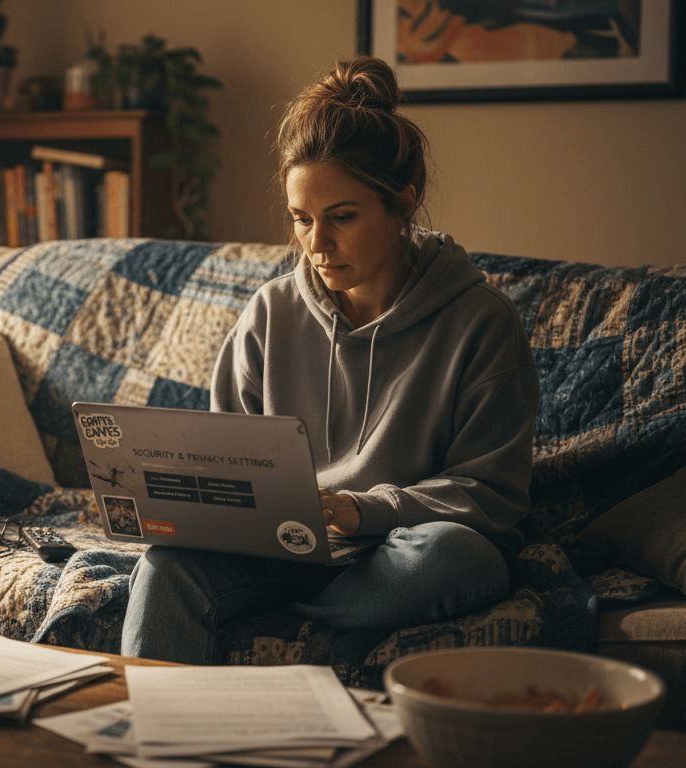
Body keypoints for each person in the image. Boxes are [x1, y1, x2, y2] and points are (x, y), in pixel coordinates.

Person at [120, 57, 540, 665]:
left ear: (403, 203)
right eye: (301, 220)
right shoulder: (270, 312)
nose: (317, 244)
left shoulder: (479, 321)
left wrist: (361, 509)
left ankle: (279, 619)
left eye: (342, 217)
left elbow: (492, 496)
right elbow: (223, 461)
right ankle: (156, 747)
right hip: (282, 553)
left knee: (457, 557)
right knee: (165, 567)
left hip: (397, 550)